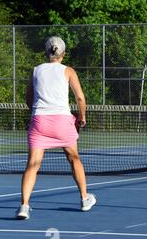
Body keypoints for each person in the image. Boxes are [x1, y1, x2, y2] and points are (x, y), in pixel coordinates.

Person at [16, 36, 96, 220]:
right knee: (74, 158)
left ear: (46, 53)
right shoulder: (68, 71)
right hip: (62, 121)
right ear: (63, 53)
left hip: (39, 122)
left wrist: (37, 113)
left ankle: (24, 206)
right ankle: (84, 199)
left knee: (32, 164)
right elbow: (81, 98)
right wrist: (82, 117)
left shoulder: (36, 71)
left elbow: (28, 99)